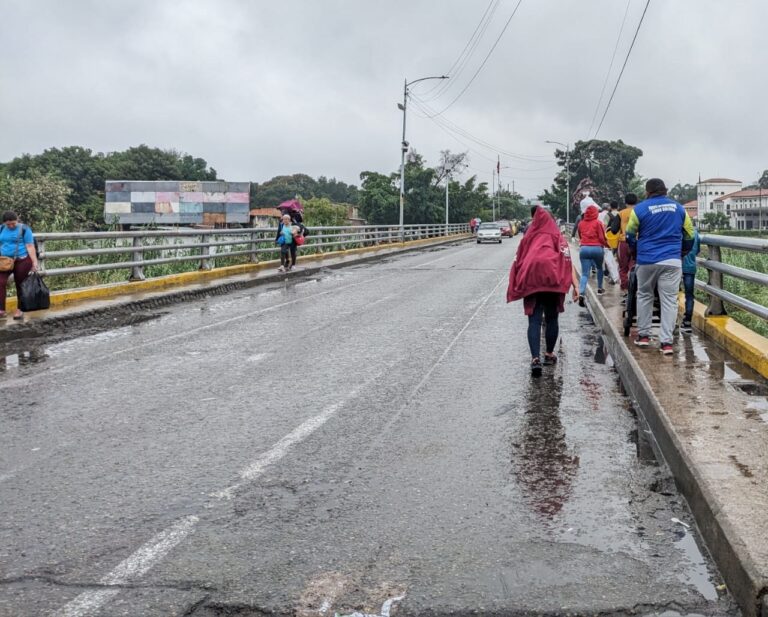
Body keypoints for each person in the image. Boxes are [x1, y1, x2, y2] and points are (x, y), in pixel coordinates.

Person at [507, 206, 579, 377]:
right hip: (553, 281)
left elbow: (518, 261)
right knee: (552, 317)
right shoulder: (557, 236)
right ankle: (548, 354)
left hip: (532, 281)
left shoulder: (527, 238)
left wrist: (516, 283)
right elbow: (567, 262)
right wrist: (575, 286)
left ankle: (534, 359)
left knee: (534, 320)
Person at [626, 178, 695, 354]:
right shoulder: (679, 209)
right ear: (665, 191)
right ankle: (666, 343)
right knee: (670, 301)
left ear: (647, 192)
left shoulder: (639, 209)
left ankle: (643, 337)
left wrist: (635, 252)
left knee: (644, 295)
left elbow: (630, 235)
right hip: (672, 260)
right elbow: (689, 235)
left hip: (646, 259)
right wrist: (682, 252)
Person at [0, 211, 39, 320]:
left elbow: (30, 246)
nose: (11, 226)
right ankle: (1, 310)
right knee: (0, 282)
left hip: (22, 260)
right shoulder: (1, 229)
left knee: (20, 284)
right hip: (5, 261)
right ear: (4, 223)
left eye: (13, 223)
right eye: (8, 224)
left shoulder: (25, 229)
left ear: (17, 220)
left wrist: (34, 263)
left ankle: (20, 309)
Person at [575, 202, 608, 305]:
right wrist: (607, 245)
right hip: (597, 249)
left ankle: (581, 293)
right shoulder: (598, 223)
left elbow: (580, 236)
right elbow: (602, 238)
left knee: (585, 273)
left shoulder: (581, 223)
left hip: (584, 249)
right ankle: (599, 288)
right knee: (599, 269)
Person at [681, 225, 700, 333]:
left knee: (671, 295)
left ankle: (672, 323)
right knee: (689, 295)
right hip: (690, 267)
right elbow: (697, 250)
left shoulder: (676, 232)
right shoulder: (695, 233)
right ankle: (687, 322)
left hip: (676, 266)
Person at [617, 193, 638, 293]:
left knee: (623, 267)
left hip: (623, 242)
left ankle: (625, 289)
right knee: (634, 266)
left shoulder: (621, 213)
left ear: (625, 202)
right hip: (637, 242)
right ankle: (634, 288)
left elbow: (613, 229)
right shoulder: (639, 212)